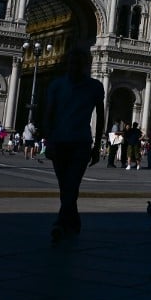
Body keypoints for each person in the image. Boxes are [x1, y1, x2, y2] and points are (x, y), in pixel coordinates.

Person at [41, 47, 105, 242]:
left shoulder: (95, 86)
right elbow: (49, 114)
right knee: (66, 186)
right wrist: (49, 141)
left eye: (77, 63)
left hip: (81, 143)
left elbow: (101, 117)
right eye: (71, 63)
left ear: (85, 65)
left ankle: (60, 222)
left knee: (72, 184)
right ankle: (73, 219)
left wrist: (96, 146)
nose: (73, 67)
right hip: (59, 141)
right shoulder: (57, 85)